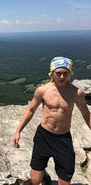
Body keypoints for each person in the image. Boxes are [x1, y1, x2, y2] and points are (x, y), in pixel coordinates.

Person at [12, 56, 91, 185]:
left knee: (65, 182)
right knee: (35, 180)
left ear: (70, 73)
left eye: (65, 73)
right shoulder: (42, 90)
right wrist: (18, 131)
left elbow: (86, 115)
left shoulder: (76, 93)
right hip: (44, 136)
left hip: (63, 138)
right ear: (52, 73)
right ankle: (43, 176)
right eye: (58, 73)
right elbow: (30, 110)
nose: (61, 77)